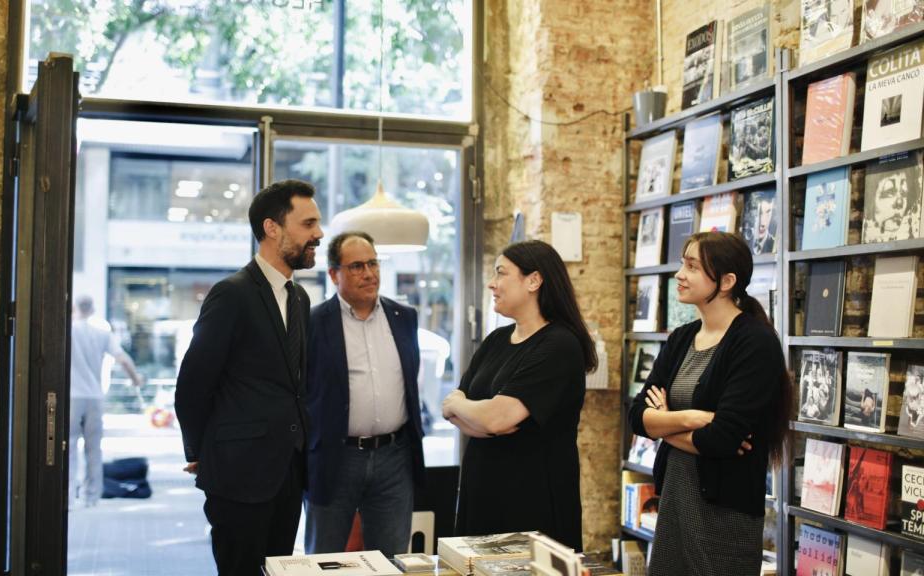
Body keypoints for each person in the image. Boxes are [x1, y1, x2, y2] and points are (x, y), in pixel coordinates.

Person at [174, 179, 324, 576]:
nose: (319, 234)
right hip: (238, 476)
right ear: (273, 228)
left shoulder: (300, 297)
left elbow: (295, 385)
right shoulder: (231, 294)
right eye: (308, 224)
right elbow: (193, 384)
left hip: (289, 473)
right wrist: (200, 453)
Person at [628, 231, 791, 576]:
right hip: (674, 503)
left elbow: (722, 439)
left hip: (724, 514)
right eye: (682, 264)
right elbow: (637, 417)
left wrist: (665, 422)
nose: (679, 275)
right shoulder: (681, 338)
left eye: (692, 266)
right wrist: (691, 418)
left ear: (727, 281)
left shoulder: (755, 343)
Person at [442, 240, 598, 550]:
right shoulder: (497, 339)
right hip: (482, 492)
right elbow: (453, 409)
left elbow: (497, 418)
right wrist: (470, 411)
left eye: (501, 273)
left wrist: (470, 410)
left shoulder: (558, 345)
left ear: (534, 280)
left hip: (531, 500)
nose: (492, 283)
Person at [304, 231, 425, 557]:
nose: (369, 274)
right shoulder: (312, 323)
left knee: (391, 559)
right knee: (323, 559)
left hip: (394, 457)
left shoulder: (404, 318)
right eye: (356, 266)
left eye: (373, 263)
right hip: (334, 457)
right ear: (334, 274)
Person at [69, 294, 144, 508]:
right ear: (92, 310)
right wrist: (136, 379)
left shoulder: (69, 330)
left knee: (69, 446)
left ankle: (67, 497)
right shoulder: (102, 333)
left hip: (72, 397)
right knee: (93, 449)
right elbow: (122, 358)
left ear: (76, 308)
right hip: (94, 396)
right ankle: (91, 497)